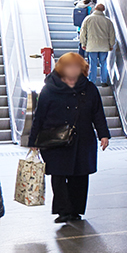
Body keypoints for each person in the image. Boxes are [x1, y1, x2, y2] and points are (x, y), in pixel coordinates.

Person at [26, 52, 110, 223]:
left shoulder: (89, 89)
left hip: (82, 139)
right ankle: (63, 210)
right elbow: (39, 116)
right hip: (54, 140)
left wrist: (103, 135)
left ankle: (75, 211)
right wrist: (33, 140)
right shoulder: (49, 89)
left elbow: (97, 113)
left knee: (80, 175)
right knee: (58, 175)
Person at [79, 1, 116, 86]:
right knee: (104, 63)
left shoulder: (88, 19)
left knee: (93, 63)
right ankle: (104, 81)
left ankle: (92, 81)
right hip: (104, 46)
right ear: (103, 10)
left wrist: (83, 43)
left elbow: (83, 32)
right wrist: (111, 44)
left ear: (95, 8)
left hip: (92, 46)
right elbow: (112, 34)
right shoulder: (108, 21)